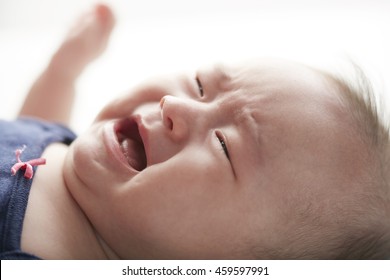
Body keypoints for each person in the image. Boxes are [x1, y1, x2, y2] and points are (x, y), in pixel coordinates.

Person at [1, 4, 389, 260]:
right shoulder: (70, 159)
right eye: (201, 85)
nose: (175, 106)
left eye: (224, 146)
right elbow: (32, 143)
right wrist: (62, 74)